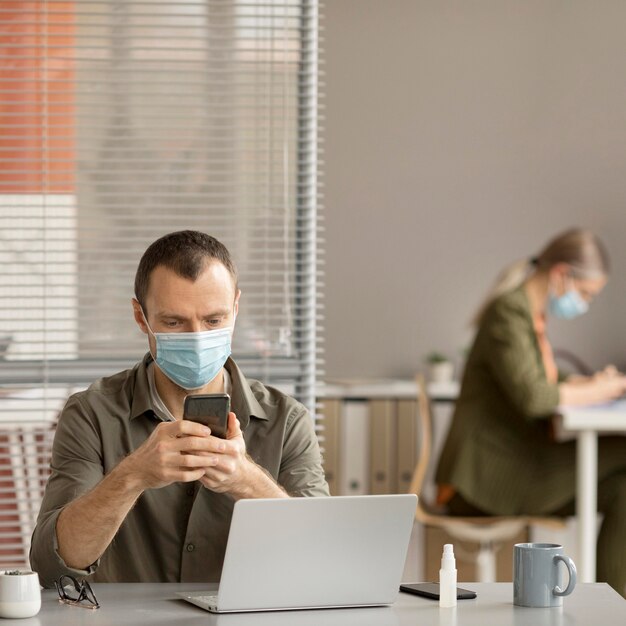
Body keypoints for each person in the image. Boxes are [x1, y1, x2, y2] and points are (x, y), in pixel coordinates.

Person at [30, 230, 329, 587]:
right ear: (141, 318)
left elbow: (322, 555)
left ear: (235, 308)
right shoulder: (91, 414)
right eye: (174, 322)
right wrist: (133, 475)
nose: (197, 337)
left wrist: (246, 481)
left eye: (214, 320)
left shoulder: (287, 420)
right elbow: (52, 568)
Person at [435, 228, 626, 596]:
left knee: (624, 487)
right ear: (561, 274)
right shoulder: (509, 312)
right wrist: (605, 388)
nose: (583, 303)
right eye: (585, 294)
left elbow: (538, 376)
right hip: (486, 479)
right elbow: (535, 396)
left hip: (511, 468)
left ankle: (614, 605)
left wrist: (588, 384)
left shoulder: (529, 315)